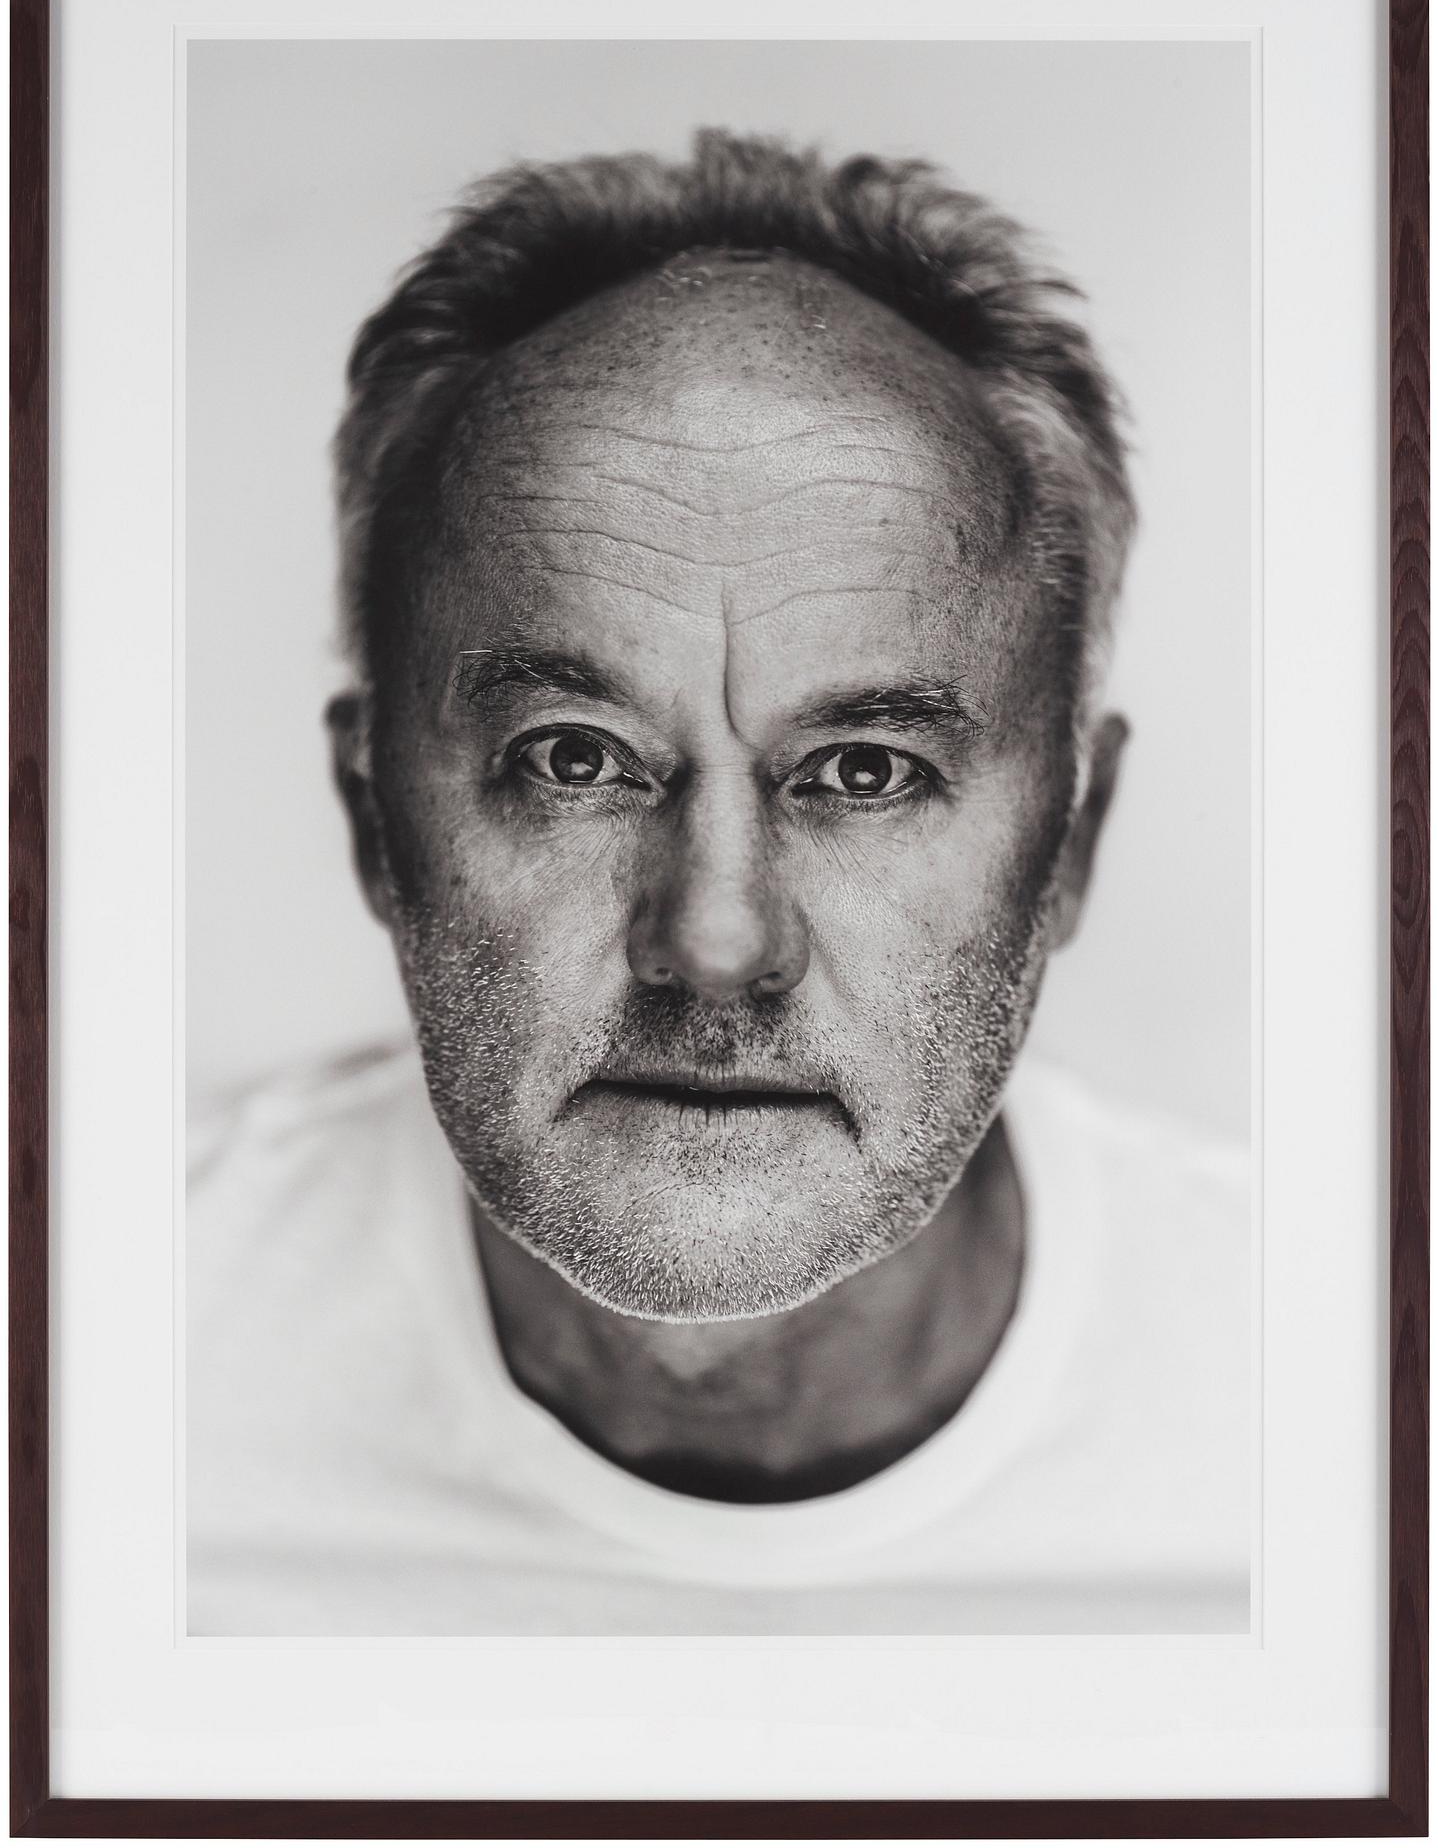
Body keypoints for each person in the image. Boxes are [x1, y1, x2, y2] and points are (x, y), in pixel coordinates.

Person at [189, 131, 1248, 1634]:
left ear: (1071, 842)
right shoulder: (86, 1385)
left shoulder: (1348, 1443)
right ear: (374, 819)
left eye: (864, 772)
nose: (715, 939)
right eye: (572, 758)